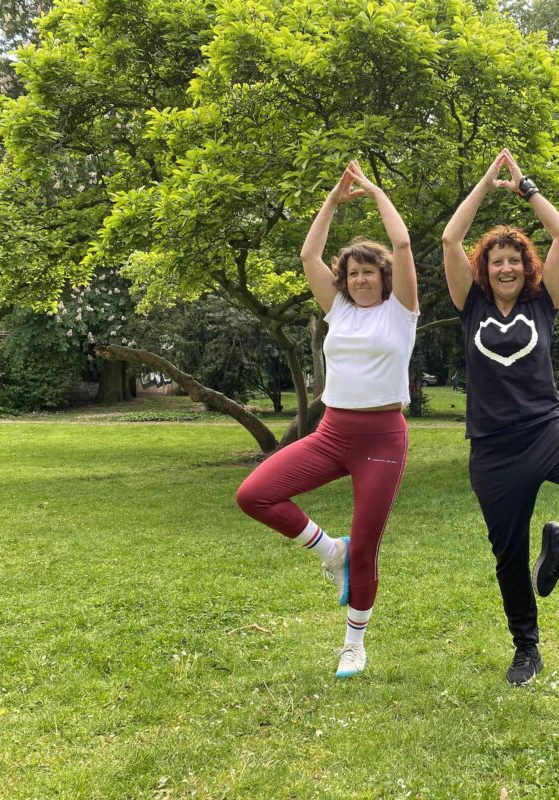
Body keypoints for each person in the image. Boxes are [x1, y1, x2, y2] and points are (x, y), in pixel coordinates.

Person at [442, 149, 559, 685]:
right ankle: (527, 647)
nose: (506, 267)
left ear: (528, 266)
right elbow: (450, 240)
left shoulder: (544, 301)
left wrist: (524, 186)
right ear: (486, 267)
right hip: (493, 449)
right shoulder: (470, 303)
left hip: (546, 430)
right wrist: (484, 183)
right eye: (497, 260)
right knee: (507, 554)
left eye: (515, 259)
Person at [236, 161, 418, 679]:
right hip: (332, 433)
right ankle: (326, 548)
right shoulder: (338, 310)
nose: (361, 279)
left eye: (369, 272)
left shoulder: (401, 310)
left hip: (382, 437)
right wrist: (332, 202)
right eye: (353, 273)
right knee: (255, 495)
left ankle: (354, 644)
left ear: (384, 277)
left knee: (367, 547)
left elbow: (403, 247)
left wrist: (379, 193)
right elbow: (308, 254)